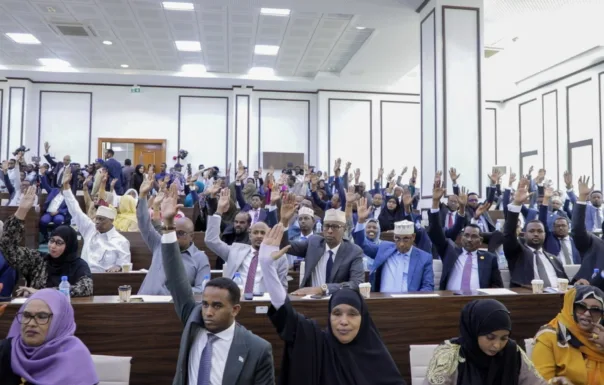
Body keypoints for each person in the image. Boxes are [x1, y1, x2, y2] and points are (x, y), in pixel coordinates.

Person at [258, 223, 405, 385]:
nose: (343, 321)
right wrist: (267, 267)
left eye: (352, 314)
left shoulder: (377, 356)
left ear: (363, 318)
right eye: (336, 313)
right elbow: (286, 314)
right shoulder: (317, 345)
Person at [158, 185, 274, 385]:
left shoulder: (257, 349)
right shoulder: (193, 321)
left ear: (235, 309)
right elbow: (176, 278)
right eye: (205, 304)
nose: (208, 312)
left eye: (217, 306)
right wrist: (168, 224)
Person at [424, 299, 572, 385]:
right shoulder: (449, 354)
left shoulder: (511, 351)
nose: (497, 345)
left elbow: (533, 382)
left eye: (504, 338)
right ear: (475, 331)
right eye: (490, 337)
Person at [0, 186, 92, 297]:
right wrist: (21, 211)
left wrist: (42, 292)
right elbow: (8, 248)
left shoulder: (79, 265)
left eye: (59, 243)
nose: (53, 246)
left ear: (69, 246)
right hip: (35, 312)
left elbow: (85, 288)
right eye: (51, 241)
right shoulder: (38, 260)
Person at [0, 288, 98, 384]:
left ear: (59, 322)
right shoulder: (6, 350)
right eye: (26, 315)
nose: (31, 323)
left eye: (42, 316)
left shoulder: (75, 356)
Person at [279, 193, 365, 295]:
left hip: (339, 302)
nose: (329, 231)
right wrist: (284, 221)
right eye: (326, 226)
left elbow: (357, 283)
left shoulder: (353, 251)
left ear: (344, 229)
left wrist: (322, 289)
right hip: (311, 301)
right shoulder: (314, 243)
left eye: (335, 227)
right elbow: (286, 246)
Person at [206, 188, 289, 293]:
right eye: (255, 232)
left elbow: (283, 288)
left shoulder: (279, 257)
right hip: (236, 301)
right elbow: (211, 240)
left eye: (263, 233)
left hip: (265, 303)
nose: (259, 236)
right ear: (250, 235)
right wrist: (219, 211)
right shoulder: (235, 251)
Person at [137, 180, 210, 295]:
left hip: (173, 308)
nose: (175, 236)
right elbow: (144, 224)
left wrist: (177, 291)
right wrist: (142, 196)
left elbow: (202, 289)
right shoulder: (160, 244)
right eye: (173, 231)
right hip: (145, 301)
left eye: (180, 233)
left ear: (192, 236)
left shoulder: (200, 258)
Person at [354, 197, 434, 292]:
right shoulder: (384, 248)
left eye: (406, 239)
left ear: (413, 237)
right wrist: (360, 221)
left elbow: (428, 286)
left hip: (409, 303)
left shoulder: (424, 258)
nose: (401, 244)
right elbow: (362, 244)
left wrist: (414, 302)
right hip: (382, 301)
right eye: (397, 238)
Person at [61, 166, 131, 273]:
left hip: (105, 280)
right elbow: (75, 210)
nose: (97, 222)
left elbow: (125, 264)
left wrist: (119, 267)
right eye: (97, 218)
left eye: (102, 219)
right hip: (83, 276)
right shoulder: (90, 229)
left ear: (111, 221)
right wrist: (66, 187)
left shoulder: (121, 241)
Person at [532, 286, 604, 384]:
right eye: (581, 307)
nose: (587, 314)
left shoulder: (600, 336)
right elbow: (540, 381)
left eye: (595, 310)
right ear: (570, 307)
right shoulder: (549, 337)